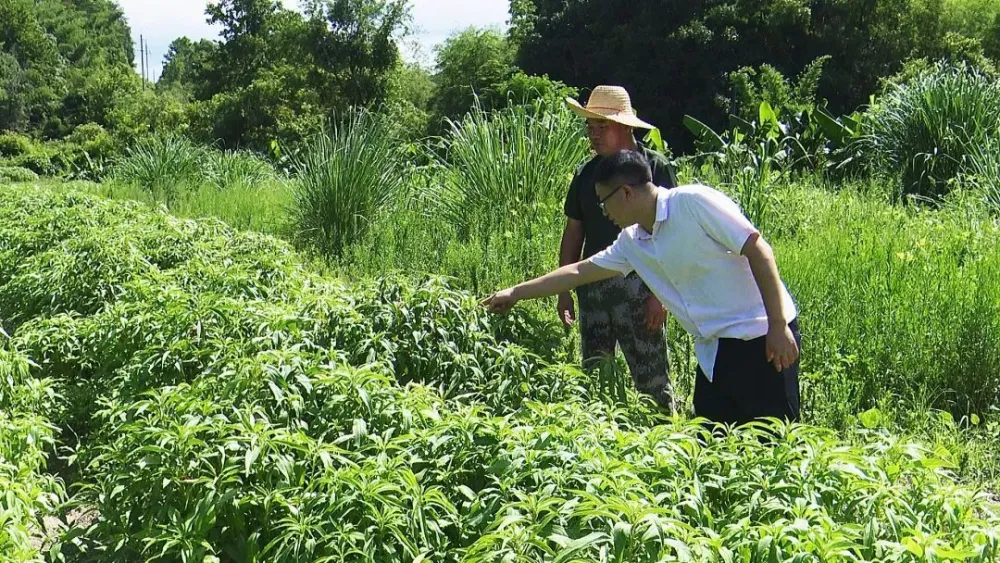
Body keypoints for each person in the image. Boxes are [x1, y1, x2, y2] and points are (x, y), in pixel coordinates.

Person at [483, 150, 801, 426]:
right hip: (714, 351)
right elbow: (579, 271)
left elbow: (758, 249)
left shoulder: (692, 203)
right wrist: (515, 293)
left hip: (762, 339)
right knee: (715, 451)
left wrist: (777, 324)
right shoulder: (632, 242)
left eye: (604, 201)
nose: (603, 211)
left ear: (626, 193)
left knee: (773, 446)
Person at [560, 85, 678, 411]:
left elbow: (671, 234)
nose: (593, 135)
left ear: (625, 126)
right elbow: (573, 233)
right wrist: (563, 291)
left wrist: (660, 294)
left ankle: (665, 444)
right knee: (595, 381)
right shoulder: (586, 174)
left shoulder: (654, 169)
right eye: (590, 127)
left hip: (642, 289)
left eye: (602, 126)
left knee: (653, 384)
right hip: (594, 290)